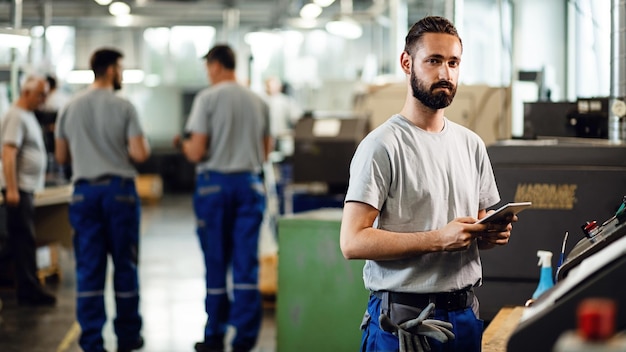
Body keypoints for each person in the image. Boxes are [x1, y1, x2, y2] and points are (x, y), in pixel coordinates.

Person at [339, 16, 517, 352]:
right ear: (407, 63)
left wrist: (490, 233)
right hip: (404, 323)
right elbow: (352, 241)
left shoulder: (472, 144)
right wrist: (437, 239)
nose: (445, 74)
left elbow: (473, 227)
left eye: (453, 63)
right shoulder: (382, 146)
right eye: (433, 61)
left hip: (464, 315)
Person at [175, 44, 270, 352]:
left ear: (215, 65)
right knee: (245, 266)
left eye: (207, 67)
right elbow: (266, 152)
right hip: (249, 185)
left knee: (216, 263)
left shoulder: (207, 98)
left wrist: (183, 144)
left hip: (214, 188)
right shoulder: (258, 101)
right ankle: (244, 339)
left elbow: (197, 151)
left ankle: (215, 334)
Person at [54, 47, 150, 352]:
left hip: (84, 193)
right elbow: (139, 153)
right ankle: (127, 336)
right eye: (120, 68)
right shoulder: (124, 107)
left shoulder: (70, 107)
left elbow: (61, 156)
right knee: (124, 265)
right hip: (118, 192)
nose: (121, 74)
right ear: (110, 70)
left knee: (89, 267)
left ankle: (92, 341)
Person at [0, 75, 56, 306]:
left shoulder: (27, 116)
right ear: (26, 93)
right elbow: (9, 153)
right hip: (18, 189)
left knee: (23, 239)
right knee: (22, 240)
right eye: (40, 94)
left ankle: (27, 286)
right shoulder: (15, 116)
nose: (44, 99)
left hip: (26, 188)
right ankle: (28, 289)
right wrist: (12, 188)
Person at [261, 76, 302, 155]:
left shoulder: (286, 101)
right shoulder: (262, 101)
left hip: (282, 138)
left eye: (276, 85)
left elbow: (297, 117)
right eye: (271, 85)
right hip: (267, 138)